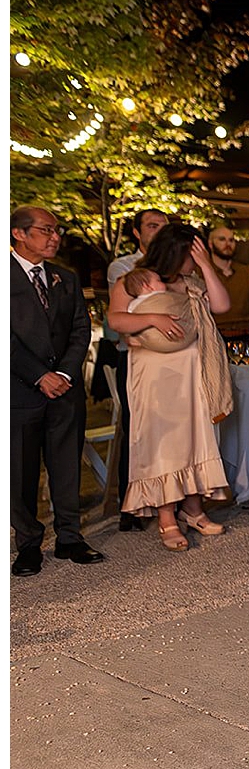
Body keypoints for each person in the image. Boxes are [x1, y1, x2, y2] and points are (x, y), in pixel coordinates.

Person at [108, 222, 233, 549]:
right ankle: (166, 517)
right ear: (175, 253)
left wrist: (206, 266)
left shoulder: (191, 282)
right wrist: (153, 319)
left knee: (195, 438)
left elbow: (221, 306)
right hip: (155, 372)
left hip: (193, 368)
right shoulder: (134, 281)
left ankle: (193, 509)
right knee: (163, 443)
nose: (196, 259)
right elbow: (117, 319)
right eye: (193, 253)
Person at [11, 208, 106, 576]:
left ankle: (70, 536)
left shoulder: (64, 278)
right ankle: (29, 543)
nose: (55, 237)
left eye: (57, 230)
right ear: (19, 234)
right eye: (46, 230)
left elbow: (81, 330)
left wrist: (64, 372)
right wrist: (40, 376)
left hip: (65, 390)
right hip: (20, 391)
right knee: (21, 471)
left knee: (66, 465)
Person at [99, 207, 170, 532]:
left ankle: (171, 499)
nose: (158, 231)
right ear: (137, 233)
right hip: (137, 358)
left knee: (172, 432)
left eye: (164, 226)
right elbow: (123, 313)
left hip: (172, 361)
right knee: (137, 429)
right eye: (152, 226)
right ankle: (132, 504)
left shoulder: (173, 266)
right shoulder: (123, 267)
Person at [205, 222, 249, 341]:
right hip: (212, 336)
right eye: (222, 239)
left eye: (231, 240)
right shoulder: (201, 272)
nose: (228, 244)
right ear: (210, 244)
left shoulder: (247, 272)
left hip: (244, 335)